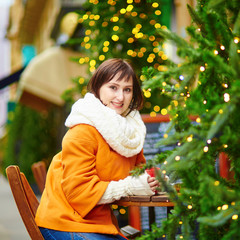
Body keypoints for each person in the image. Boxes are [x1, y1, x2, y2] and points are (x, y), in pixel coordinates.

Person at [35, 58, 159, 240]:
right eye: (113, 88)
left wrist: (149, 181)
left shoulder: (129, 134)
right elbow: (79, 192)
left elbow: (137, 173)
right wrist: (131, 186)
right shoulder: (82, 130)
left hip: (98, 224)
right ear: (98, 88)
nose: (120, 97)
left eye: (127, 89)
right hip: (64, 222)